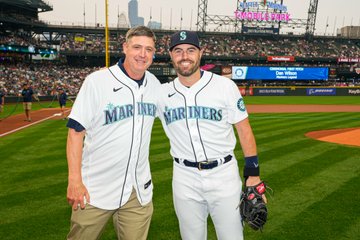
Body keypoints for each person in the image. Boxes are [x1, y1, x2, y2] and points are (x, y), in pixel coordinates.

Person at [157, 30, 265, 240]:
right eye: (178, 51)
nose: (184, 56)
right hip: (184, 177)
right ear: (171, 55)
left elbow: (244, 129)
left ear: (201, 52)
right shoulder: (161, 94)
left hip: (224, 175)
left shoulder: (224, 86)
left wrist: (253, 173)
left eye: (190, 50)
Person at [65, 26, 160, 240]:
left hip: (138, 191)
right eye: (137, 47)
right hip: (95, 189)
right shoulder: (97, 82)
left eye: (149, 49)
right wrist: (74, 180)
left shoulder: (155, 85)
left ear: (154, 53)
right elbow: (75, 132)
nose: (142, 54)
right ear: (125, 48)